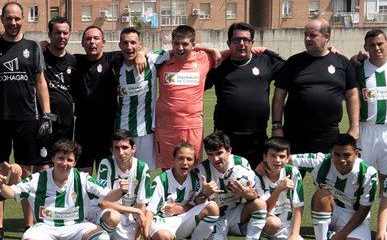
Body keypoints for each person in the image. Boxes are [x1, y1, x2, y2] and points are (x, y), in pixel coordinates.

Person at [0, 139, 124, 240]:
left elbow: (109, 195)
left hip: (76, 225)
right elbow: (11, 193)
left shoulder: (83, 179)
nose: (64, 163)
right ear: (53, 158)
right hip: (46, 227)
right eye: (60, 158)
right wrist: (1, 186)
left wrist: (121, 191)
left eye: (69, 160)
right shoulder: (38, 178)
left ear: (75, 162)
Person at [0, 1, 54, 222]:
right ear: (2, 20)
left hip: (28, 118)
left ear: (23, 19)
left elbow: (40, 82)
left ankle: (29, 223)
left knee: (26, 173)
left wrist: (46, 114)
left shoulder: (33, 46)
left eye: (17, 18)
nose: (13, 22)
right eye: (9, 18)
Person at [272, 18, 359, 154]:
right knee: (291, 174)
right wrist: (276, 125)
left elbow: (352, 95)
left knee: (327, 174)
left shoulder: (342, 62)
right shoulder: (293, 62)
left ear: (326, 37)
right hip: (295, 134)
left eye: (312, 35)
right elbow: (279, 95)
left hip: (328, 135)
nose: (307, 39)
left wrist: (354, 127)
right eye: (305, 34)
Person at [205, 22, 285, 168]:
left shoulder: (266, 62)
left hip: (257, 138)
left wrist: (326, 50)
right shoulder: (218, 65)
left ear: (252, 43)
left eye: (246, 40)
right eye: (236, 40)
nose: (241, 44)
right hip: (225, 138)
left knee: (255, 183)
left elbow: (295, 68)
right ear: (229, 43)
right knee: (226, 183)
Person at [295, 133, 379, 240]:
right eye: (337, 155)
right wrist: (263, 166)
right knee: (322, 194)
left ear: (356, 154)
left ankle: (331, 236)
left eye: (347, 155)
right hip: (329, 210)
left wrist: (343, 233)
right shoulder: (320, 161)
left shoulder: (368, 173)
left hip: (354, 215)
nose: (341, 160)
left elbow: (364, 209)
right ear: (331, 152)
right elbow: (284, 158)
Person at [196, 131, 268, 240]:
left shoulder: (241, 163)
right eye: (210, 155)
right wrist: (203, 194)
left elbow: (256, 195)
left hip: (235, 213)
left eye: (219, 153)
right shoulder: (202, 170)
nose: (215, 159)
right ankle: (205, 239)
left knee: (261, 207)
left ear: (229, 151)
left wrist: (246, 193)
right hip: (214, 219)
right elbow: (195, 204)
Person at [146, 141, 220, 240]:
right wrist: (145, 233)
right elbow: (150, 210)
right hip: (162, 223)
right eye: (180, 158)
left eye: (189, 159)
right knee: (163, 238)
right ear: (173, 159)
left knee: (212, 207)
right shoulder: (162, 180)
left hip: (183, 220)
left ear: (194, 162)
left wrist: (204, 194)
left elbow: (197, 203)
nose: (185, 163)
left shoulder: (196, 179)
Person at [154, 24, 217, 163]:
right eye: (176, 43)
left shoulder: (204, 59)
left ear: (193, 45)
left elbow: (233, 52)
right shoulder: (162, 61)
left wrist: (260, 50)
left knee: (192, 167)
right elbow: (143, 55)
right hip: (166, 127)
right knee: (168, 168)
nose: (180, 48)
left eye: (185, 44)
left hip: (192, 126)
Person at [93, 130, 153, 240]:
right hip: (105, 215)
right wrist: (134, 210)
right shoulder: (105, 164)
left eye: (125, 147)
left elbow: (141, 207)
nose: (121, 153)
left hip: (128, 218)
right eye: (117, 148)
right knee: (113, 216)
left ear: (133, 148)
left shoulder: (142, 168)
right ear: (111, 150)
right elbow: (103, 203)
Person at [354, 28, 387, 183]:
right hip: (366, 129)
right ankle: (364, 208)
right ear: (365, 47)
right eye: (372, 45)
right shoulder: (358, 68)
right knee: (362, 176)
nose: (377, 48)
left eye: (380, 44)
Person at [72, 25, 125, 170]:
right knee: (83, 172)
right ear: (82, 43)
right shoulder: (75, 61)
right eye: (88, 39)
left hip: (107, 126)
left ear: (103, 42)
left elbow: (138, 50)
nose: (92, 42)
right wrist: (43, 45)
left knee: (106, 171)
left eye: (96, 38)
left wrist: (141, 54)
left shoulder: (113, 59)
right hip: (83, 127)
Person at [113, 27, 167, 168]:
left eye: (133, 43)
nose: (129, 47)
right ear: (120, 45)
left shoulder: (152, 61)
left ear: (140, 44)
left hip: (146, 131)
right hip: (122, 129)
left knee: (144, 172)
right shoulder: (114, 65)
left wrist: (143, 53)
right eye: (125, 43)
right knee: (122, 173)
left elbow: (179, 49)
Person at [251, 138, 308, 240]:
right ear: (265, 157)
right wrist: (279, 189)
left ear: (288, 158)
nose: (277, 160)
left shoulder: (293, 172)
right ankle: (257, 238)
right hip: (263, 220)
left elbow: (299, 206)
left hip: (283, 223)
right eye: (273, 156)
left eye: (282, 156)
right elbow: (264, 208)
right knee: (273, 223)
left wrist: (294, 234)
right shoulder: (256, 175)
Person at [41, 16, 76, 157]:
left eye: (65, 33)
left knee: (63, 163)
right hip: (43, 121)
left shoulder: (74, 61)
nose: (62, 36)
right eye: (57, 33)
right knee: (42, 165)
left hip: (66, 123)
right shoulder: (39, 56)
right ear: (49, 34)